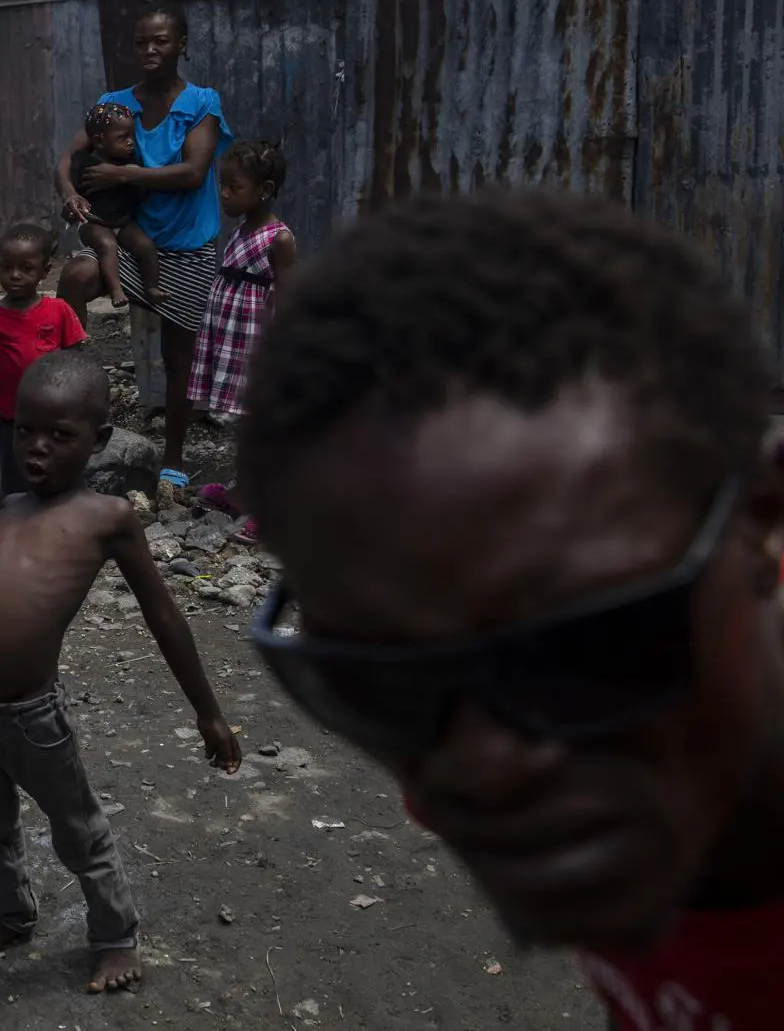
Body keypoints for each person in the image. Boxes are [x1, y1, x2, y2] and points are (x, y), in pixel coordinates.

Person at [238, 189, 784, 1030]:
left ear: (761, 524)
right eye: (378, 684)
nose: (481, 767)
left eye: (590, 644)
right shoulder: (603, 769)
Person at [0, 351, 239, 991]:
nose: (37, 449)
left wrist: (207, 712)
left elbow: (165, 619)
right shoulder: (10, 505)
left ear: (99, 440)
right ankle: (12, 915)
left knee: (78, 831)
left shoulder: (108, 519)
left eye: (60, 435)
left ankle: (114, 938)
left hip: (28, 715)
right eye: (26, 430)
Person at [56, 2, 231, 504]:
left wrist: (122, 175)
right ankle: (75, 408)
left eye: (161, 41)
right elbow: (67, 160)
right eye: (141, 42)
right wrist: (71, 195)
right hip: (129, 235)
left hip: (188, 245)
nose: (150, 50)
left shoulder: (201, 103)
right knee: (76, 278)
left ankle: (173, 460)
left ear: (181, 45)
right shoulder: (113, 104)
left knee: (179, 360)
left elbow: (193, 172)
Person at [187, 140, 295, 545]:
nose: (224, 194)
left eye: (234, 187)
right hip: (231, 338)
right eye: (223, 185)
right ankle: (243, 493)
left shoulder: (278, 239)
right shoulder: (240, 229)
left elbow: (286, 296)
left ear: (264, 190)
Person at [0, 221, 86, 500]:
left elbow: (75, 362)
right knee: (16, 478)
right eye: (6, 267)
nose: (15, 275)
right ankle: (18, 527)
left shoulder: (59, 311)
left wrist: (79, 407)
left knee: (59, 473)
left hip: (55, 412)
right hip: (12, 417)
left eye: (26, 268)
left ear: (44, 272)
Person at [64, 103, 163, 306]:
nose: (130, 143)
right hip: (94, 222)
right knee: (107, 245)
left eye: (132, 136)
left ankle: (151, 286)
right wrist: (72, 206)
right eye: (123, 138)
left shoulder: (130, 165)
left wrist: (133, 177)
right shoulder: (84, 163)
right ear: (100, 141)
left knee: (145, 245)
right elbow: (72, 194)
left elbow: (140, 195)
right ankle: (116, 290)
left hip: (123, 221)